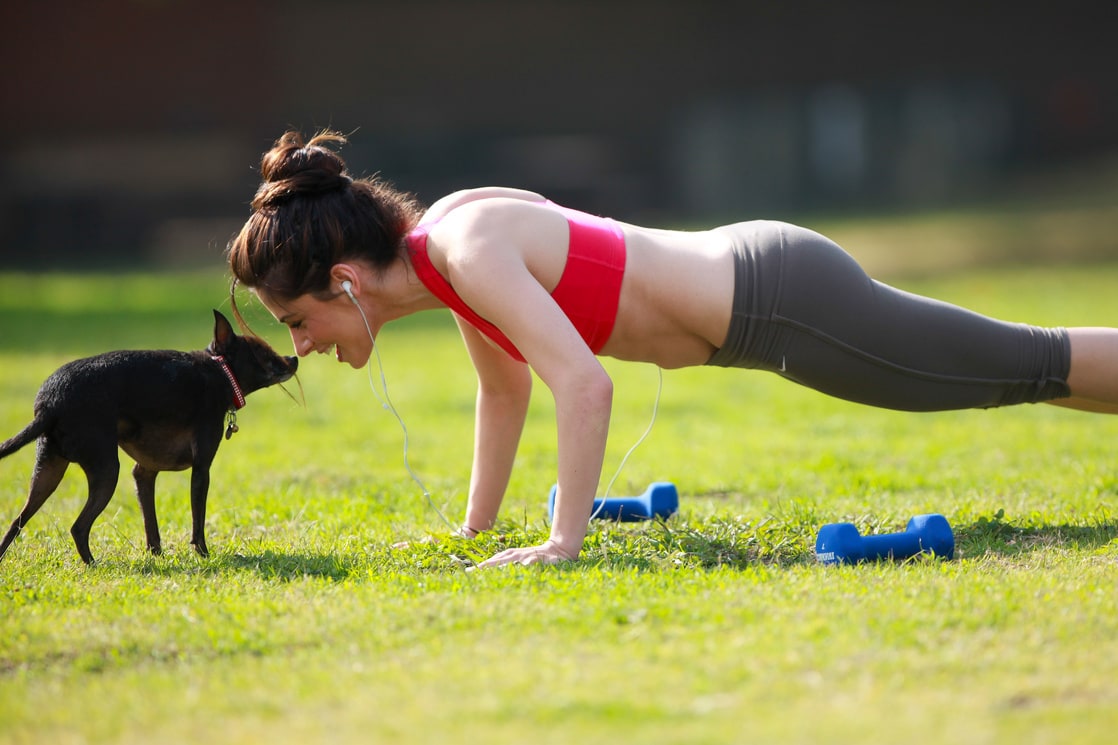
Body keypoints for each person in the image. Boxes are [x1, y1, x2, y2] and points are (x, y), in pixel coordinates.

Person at [226, 130, 1118, 568]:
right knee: (1024, 372)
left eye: (297, 321)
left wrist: (564, 541)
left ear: (343, 280)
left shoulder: (465, 250)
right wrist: (475, 529)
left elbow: (582, 384)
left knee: (1026, 363)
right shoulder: (451, 252)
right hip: (771, 301)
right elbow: (505, 395)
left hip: (783, 304)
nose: (300, 348)